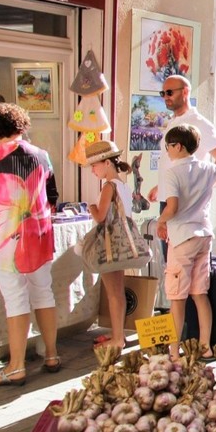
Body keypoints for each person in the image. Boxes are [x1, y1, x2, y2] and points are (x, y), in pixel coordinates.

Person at [0, 103, 60, 386]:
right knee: (44, 293)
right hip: (39, 234)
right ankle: (51, 355)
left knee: (15, 299)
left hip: (6, 240)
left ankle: (16, 366)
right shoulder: (42, 156)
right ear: (21, 126)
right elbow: (53, 197)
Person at [156, 124, 216, 361]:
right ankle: (205, 346)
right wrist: (210, 183)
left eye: (168, 146)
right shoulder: (207, 168)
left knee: (177, 297)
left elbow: (172, 207)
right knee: (199, 293)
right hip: (203, 235)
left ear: (178, 146)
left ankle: (174, 352)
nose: (167, 151)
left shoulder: (172, 172)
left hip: (182, 236)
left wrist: (160, 220)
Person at [148, 75, 216, 255]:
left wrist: (199, 187)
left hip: (183, 204)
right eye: (163, 93)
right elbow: (175, 162)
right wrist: (160, 185)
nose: (165, 97)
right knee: (169, 259)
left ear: (185, 92)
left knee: (180, 260)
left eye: (169, 92)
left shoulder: (200, 123)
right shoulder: (173, 121)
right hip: (168, 196)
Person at [85, 140, 134, 348]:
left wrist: (90, 207)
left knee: (113, 293)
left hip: (110, 245)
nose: (93, 171)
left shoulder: (108, 187)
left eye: (94, 166)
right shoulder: (123, 185)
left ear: (106, 163)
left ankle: (116, 339)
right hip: (123, 243)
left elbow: (101, 217)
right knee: (118, 292)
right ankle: (119, 335)